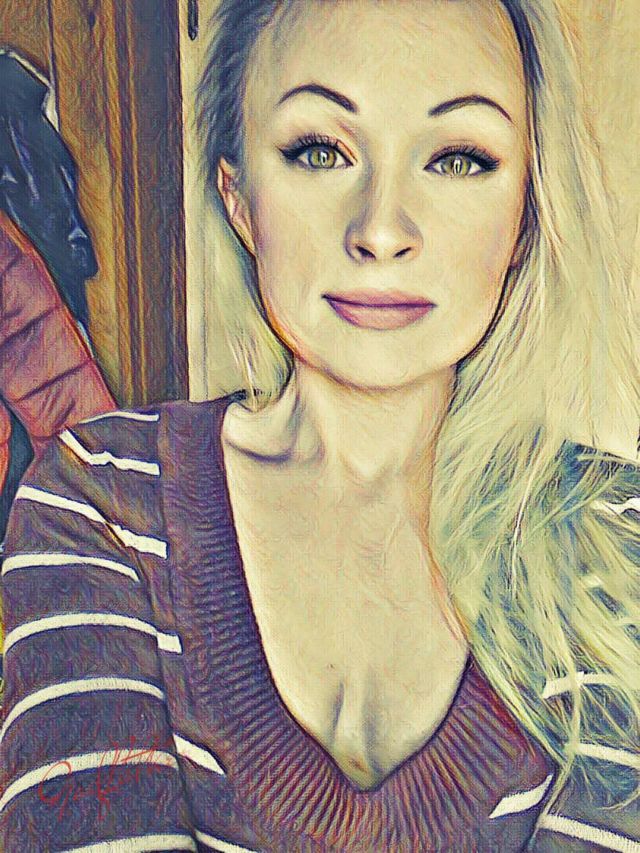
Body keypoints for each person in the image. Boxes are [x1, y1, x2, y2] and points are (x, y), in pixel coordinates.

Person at [0, 0, 638, 850]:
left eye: (457, 158)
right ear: (238, 198)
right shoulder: (96, 499)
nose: (381, 230)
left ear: (526, 213)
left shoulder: (620, 538)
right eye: (320, 151)